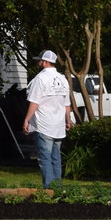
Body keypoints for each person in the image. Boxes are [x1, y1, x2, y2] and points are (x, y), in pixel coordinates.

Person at [22, 49, 73, 187]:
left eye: (40, 60)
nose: (38, 63)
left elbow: (34, 102)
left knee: (45, 158)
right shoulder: (63, 79)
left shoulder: (40, 79)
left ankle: (49, 188)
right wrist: (68, 120)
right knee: (56, 158)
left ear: (45, 62)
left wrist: (27, 119)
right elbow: (66, 103)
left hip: (44, 124)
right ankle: (58, 187)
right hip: (58, 125)